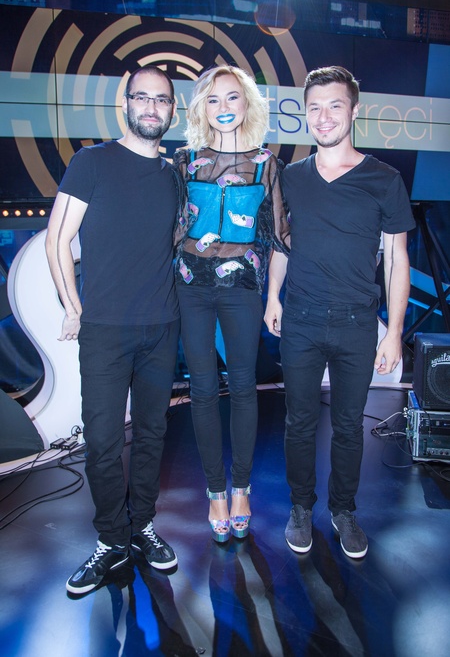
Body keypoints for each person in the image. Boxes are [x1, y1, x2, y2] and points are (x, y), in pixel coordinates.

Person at [264, 66, 415, 559]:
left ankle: (344, 510)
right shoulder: (290, 178)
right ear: (304, 114)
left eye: (334, 105)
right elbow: (282, 245)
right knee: (299, 423)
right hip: (301, 320)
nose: (324, 116)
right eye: (314, 107)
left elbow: (396, 260)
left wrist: (393, 332)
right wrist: (273, 297)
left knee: (350, 426)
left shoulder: (384, 179)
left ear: (353, 110)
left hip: (356, 324)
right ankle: (301, 507)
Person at [46, 65, 182, 594]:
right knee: (102, 441)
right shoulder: (92, 162)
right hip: (104, 329)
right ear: (125, 104)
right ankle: (111, 540)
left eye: (161, 99)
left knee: (152, 434)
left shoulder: (173, 174)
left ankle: (141, 526)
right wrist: (73, 306)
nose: (151, 107)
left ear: (172, 110)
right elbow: (58, 238)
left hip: (161, 327)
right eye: (141, 97)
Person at [173, 65, 289, 542]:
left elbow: (280, 237)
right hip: (189, 286)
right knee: (202, 390)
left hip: (242, 287)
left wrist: (274, 297)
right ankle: (215, 493)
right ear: (202, 108)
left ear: (247, 104)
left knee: (243, 387)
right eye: (213, 99)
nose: (223, 108)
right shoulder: (185, 160)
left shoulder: (266, 163)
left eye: (232, 97)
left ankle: (241, 489)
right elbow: (171, 228)